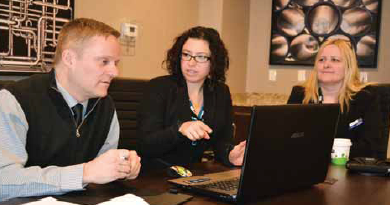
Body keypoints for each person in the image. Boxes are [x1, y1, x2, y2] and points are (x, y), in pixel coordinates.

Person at [0, 18, 141, 201]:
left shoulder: (105, 106)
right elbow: (4, 181)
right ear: (69, 59)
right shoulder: (14, 100)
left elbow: (102, 171)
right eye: (104, 61)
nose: (115, 72)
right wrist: (84, 173)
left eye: (116, 63)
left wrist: (122, 167)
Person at [137, 26, 246, 170]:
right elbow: (145, 144)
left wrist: (230, 154)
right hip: (154, 176)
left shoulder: (220, 92)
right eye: (186, 54)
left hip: (194, 174)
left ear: (213, 62)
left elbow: (221, 141)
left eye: (201, 57)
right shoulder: (158, 88)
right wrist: (179, 129)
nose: (191, 63)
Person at [287, 38, 386, 159]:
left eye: (335, 60)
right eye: (321, 60)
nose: (326, 65)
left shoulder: (365, 98)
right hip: (304, 167)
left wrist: (327, 150)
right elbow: (286, 140)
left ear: (348, 66)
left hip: (350, 172)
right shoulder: (300, 95)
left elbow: (372, 148)